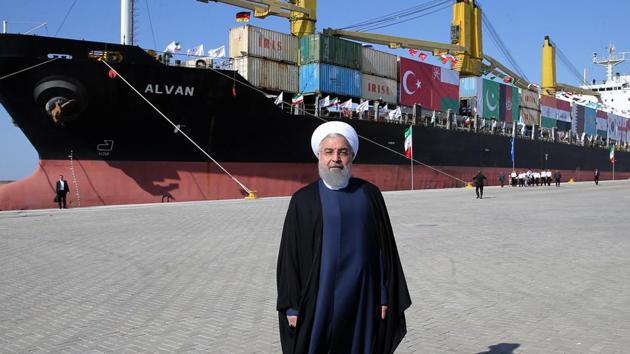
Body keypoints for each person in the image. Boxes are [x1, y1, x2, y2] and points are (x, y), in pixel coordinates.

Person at [276, 121, 411, 354]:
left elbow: (383, 251)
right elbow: (290, 257)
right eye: (329, 152)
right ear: (319, 155)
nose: (335, 158)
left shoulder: (369, 195)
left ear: (352, 156)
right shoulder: (302, 200)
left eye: (343, 152)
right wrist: (292, 307)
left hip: (363, 296)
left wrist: (384, 294)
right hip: (318, 295)